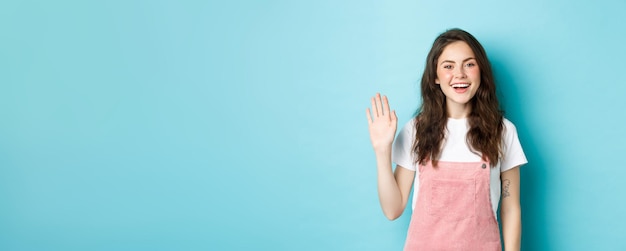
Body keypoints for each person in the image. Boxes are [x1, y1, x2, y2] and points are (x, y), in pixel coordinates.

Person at [366, 28, 527, 250]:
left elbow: (511, 209)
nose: (459, 74)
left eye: (469, 64)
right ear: (435, 76)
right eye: (448, 66)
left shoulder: (503, 131)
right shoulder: (415, 130)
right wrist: (382, 151)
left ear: (481, 71)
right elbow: (393, 209)